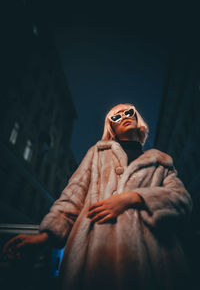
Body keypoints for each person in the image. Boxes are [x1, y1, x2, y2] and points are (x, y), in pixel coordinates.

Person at [3, 103, 193, 290]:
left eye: (129, 112)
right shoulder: (97, 154)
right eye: (116, 117)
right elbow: (72, 196)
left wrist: (133, 198)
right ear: (112, 128)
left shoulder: (160, 163)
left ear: (137, 119)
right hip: (93, 256)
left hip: (153, 260)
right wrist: (46, 236)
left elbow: (181, 199)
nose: (124, 117)